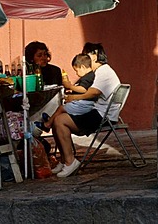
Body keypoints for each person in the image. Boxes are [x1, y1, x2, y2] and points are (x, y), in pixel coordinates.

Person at [50, 43, 121, 178]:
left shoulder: (103, 71)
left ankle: (71, 162)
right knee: (57, 120)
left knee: (60, 120)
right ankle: (65, 160)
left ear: (94, 56)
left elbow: (93, 93)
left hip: (101, 115)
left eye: (86, 54)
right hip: (98, 111)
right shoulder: (100, 71)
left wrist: (73, 98)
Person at [34, 53, 96, 133]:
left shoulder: (88, 77)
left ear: (83, 67)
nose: (76, 74)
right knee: (62, 108)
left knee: (61, 108)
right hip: (81, 103)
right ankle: (51, 120)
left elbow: (83, 89)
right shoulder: (86, 77)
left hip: (85, 104)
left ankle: (47, 124)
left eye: (76, 71)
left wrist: (70, 86)